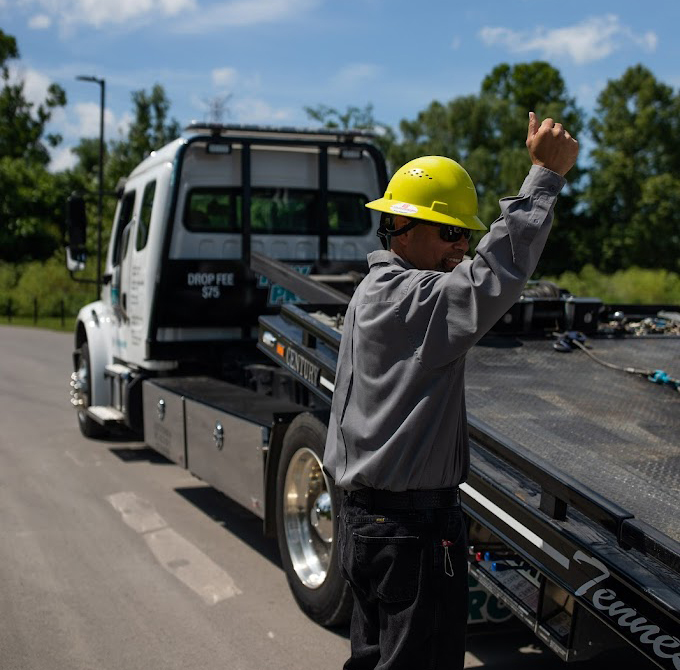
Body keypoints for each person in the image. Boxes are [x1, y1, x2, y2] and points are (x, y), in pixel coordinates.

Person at [323, 112, 579, 670]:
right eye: (450, 232)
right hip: (409, 535)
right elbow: (495, 274)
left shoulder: (375, 290)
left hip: (374, 526)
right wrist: (543, 177)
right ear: (402, 228)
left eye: (465, 232)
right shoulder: (411, 301)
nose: (461, 246)